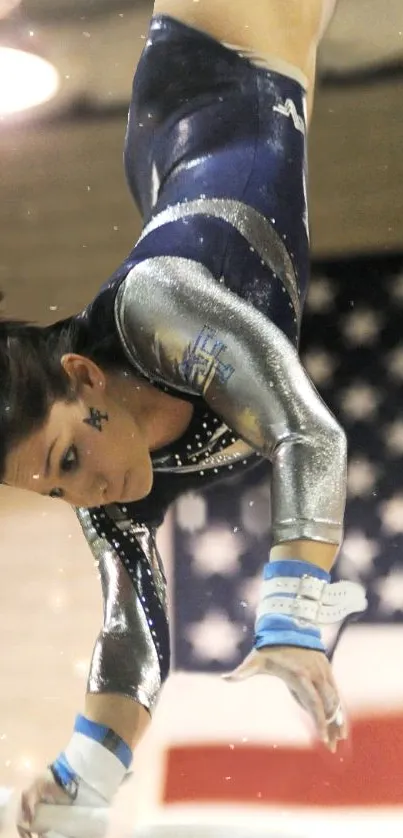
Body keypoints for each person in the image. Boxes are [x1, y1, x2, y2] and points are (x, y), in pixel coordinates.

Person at [1, 1, 368, 835]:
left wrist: (291, 612)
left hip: (218, 52)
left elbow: (308, 434)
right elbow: (132, 637)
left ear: (84, 376)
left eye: (66, 463)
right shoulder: (114, 493)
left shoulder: (158, 308)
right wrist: (83, 781)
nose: (87, 495)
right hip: (194, 144)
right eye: (56, 495)